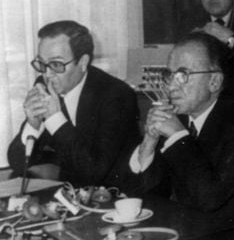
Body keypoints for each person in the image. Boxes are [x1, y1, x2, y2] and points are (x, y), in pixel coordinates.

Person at [129, 32, 234, 226]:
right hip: (194, 230)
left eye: (183, 75)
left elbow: (209, 198)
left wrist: (178, 135)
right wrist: (148, 143)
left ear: (214, 82)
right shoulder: (180, 117)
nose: (172, 86)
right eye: (169, 75)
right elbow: (150, 195)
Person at [8, 20, 140, 189]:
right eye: (42, 64)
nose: (47, 74)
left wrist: (55, 119)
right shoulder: (45, 84)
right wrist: (32, 124)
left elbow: (95, 170)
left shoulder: (116, 94)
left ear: (83, 62)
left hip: (116, 195)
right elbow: (18, 163)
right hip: (72, 191)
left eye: (56, 64)